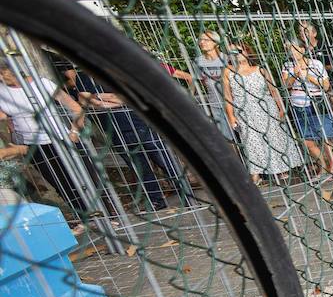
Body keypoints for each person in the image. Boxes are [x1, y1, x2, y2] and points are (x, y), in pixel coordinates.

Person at [65, 66, 193, 210]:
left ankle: (188, 197)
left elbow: (129, 96)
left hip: (141, 124)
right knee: (139, 167)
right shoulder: (83, 76)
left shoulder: (118, 69)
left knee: (165, 161)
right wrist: (106, 99)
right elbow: (84, 100)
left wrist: (98, 97)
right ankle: (156, 201)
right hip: (114, 130)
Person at [0, 60, 93, 224]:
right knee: (60, 183)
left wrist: (74, 132)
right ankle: (84, 219)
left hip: (60, 139)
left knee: (84, 177)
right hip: (32, 145)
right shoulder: (1, 91)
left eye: (2, 74)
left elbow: (75, 107)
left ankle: (107, 217)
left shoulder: (41, 83)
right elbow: (5, 118)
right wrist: (14, 141)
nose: (1, 79)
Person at [222, 44, 303, 184]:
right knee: (250, 141)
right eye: (231, 52)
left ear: (247, 52)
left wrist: (280, 107)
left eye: (239, 51)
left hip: (267, 108)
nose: (235, 54)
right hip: (244, 111)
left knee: (274, 138)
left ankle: (281, 168)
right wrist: (231, 116)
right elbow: (228, 97)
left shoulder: (260, 69)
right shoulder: (227, 72)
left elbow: (273, 90)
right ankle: (256, 173)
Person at [281, 38, 333, 179]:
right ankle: (323, 166)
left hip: (317, 103)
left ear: (302, 49)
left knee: (325, 138)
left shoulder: (316, 64)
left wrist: (308, 76)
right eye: (289, 49)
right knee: (307, 141)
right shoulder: (287, 66)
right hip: (298, 106)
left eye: (294, 48)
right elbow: (285, 86)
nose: (291, 52)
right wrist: (295, 74)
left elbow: (326, 86)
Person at [191, 30, 235, 141]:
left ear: (215, 42)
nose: (202, 42)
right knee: (227, 139)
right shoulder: (198, 61)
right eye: (200, 40)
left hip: (235, 103)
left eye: (206, 40)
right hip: (215, 104)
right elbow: (197, 82)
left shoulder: (227, 59)